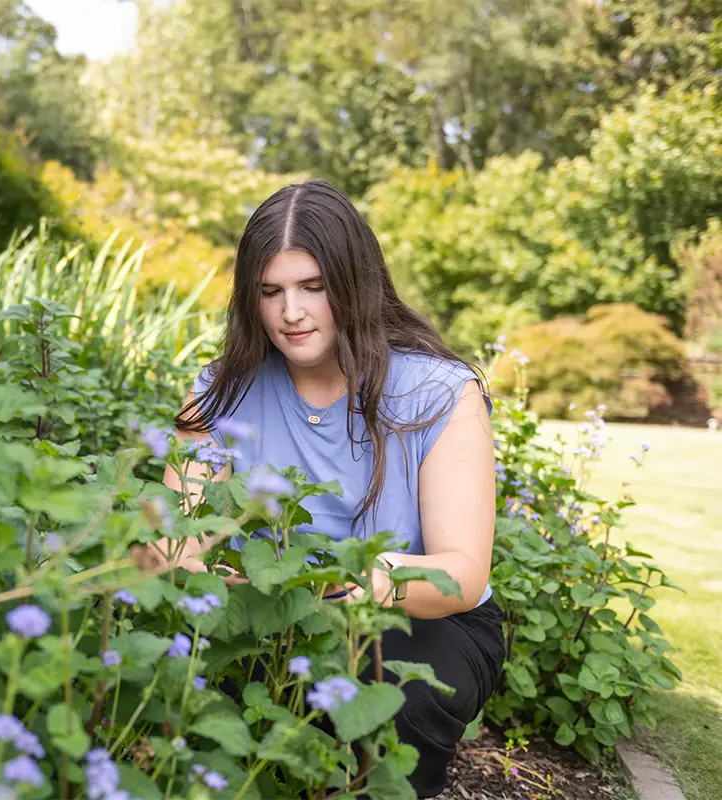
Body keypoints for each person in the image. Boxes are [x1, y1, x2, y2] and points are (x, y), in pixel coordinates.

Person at [148, 179, 504, 798]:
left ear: (354, 283)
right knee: (184, 670)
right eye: (271, 292)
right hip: (264, 611)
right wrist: (174, 556)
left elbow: (460, 574)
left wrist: (319, 587)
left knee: (398, 690)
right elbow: (177, 539)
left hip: (415, 618)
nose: (292, 312)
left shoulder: (439, 393)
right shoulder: (219, 393)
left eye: (313, 287)